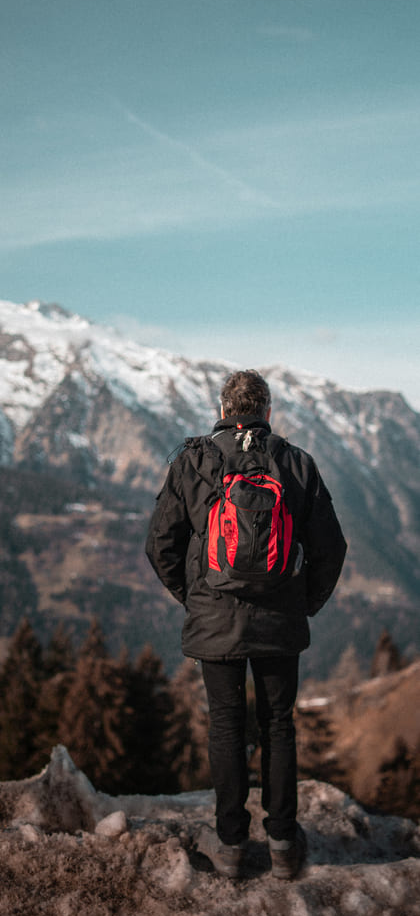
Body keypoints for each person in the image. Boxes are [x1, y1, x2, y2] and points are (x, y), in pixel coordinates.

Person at [145, 369, 347, 880]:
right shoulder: (296, 463)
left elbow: (160, 544)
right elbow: (331, 548)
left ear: (220, 407)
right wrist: (305, 604)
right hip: (281, 620)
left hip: (214, 621)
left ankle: (231, 844)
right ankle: (282, 841)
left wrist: (194, 598)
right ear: (268, 411)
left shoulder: (194, 460)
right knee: (278, 724)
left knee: (227, 725)